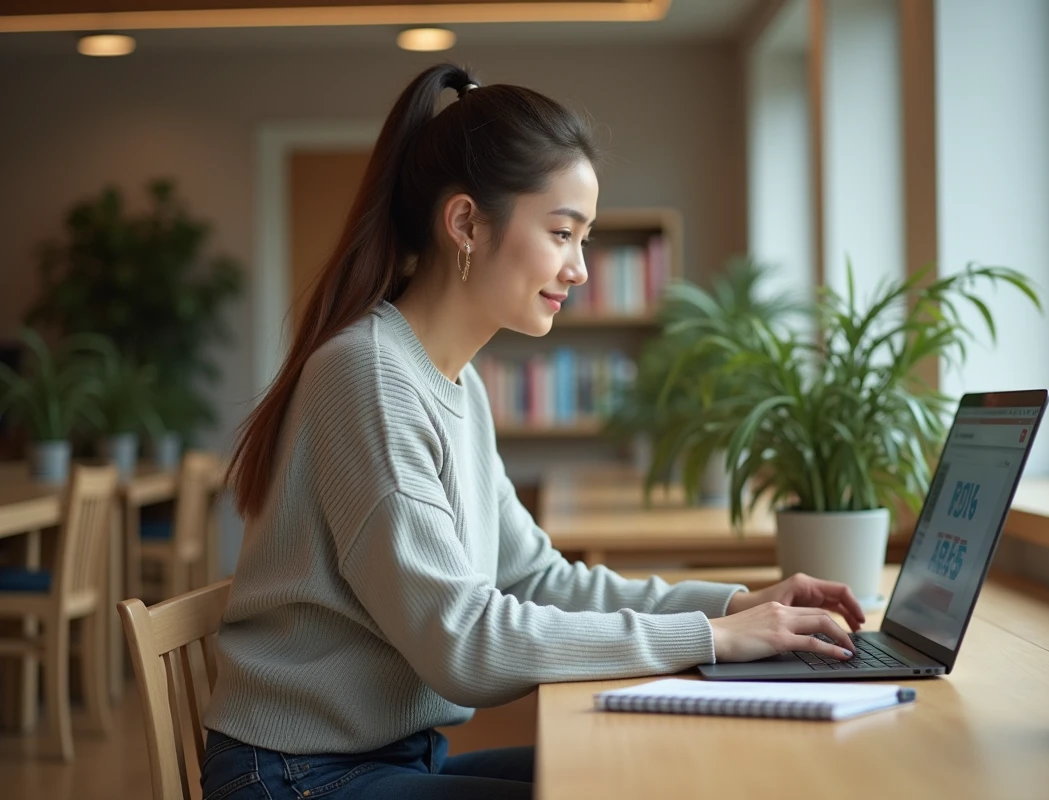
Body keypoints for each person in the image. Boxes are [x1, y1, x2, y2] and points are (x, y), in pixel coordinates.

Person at [201, 63, 867, 800]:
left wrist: (733, 606)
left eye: (583, 239)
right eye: (561, 234)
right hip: (298, 776)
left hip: (388, 758)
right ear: (466, 224)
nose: (579, 269)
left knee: (652, 773)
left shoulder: (455, 383)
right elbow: (461, 644)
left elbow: (537, 580)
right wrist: (711, 639)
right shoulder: (369, 376)